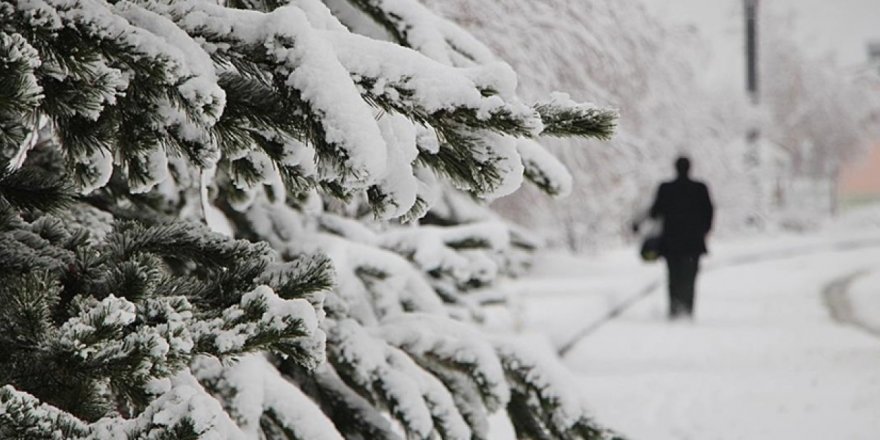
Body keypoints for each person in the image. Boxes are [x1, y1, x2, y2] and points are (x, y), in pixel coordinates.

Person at [635, 156, 714, 319]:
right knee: (690, 277)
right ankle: (687, 309)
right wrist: (703, 231)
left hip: (671, 242)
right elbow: (709, 212)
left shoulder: (666, 188)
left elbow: (655, 211)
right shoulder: (700, 188)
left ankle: (674, 309)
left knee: (673, 276)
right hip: (693, 243)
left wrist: (638, 223)